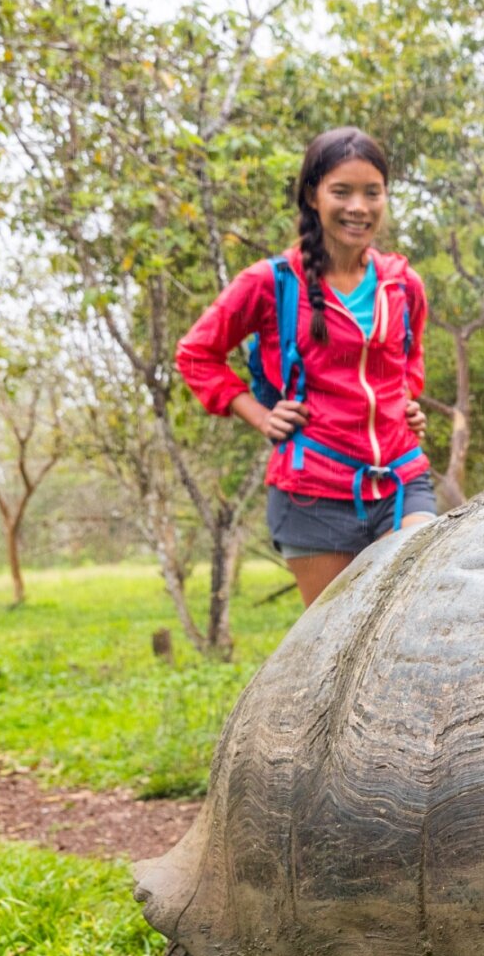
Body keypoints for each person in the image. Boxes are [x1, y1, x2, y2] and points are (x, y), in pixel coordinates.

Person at [177, 127, 432, 607]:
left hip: (400, 480)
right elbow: (196, 354)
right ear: (313, 195)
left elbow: (408, 357)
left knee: (413, 610)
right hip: (313, 491)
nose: (359, 206)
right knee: (336, 643)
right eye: (342, 191)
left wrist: (405, 401)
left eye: (372, 193)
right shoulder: (269, 282)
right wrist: (259, 415)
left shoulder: (402, 284)